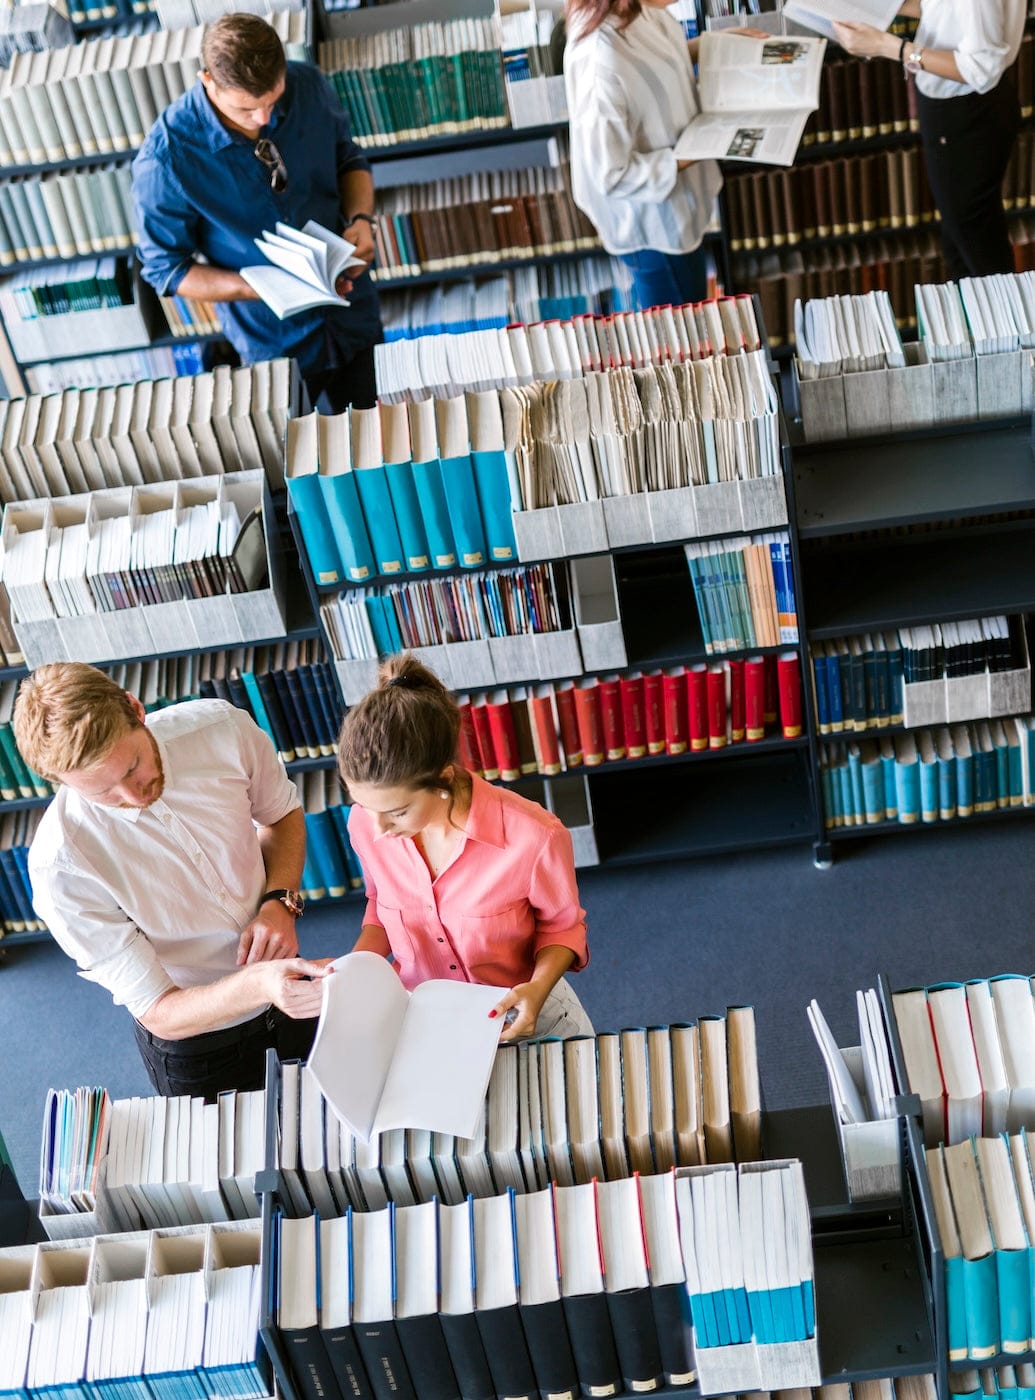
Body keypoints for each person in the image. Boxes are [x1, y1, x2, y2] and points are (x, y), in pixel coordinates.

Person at [14, 663, 329, 1098]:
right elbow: (157, 1009)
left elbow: (280, 814)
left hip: (291, 990)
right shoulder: (61, 869)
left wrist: (280, 901)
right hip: (199, 1048)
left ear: (135, 708)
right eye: (101, 792)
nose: (131, 798)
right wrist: (258, 984)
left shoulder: (222, 728)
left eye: (132, 768)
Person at [132, 13, 382, 413]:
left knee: (382, 442)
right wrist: (261, 286)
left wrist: (361, 220)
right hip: (273, 343)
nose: (264, 119)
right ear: (208, 81)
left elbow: (348, 158)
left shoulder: (309, 84)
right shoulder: (166, 160)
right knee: (300, 463)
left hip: (352, 311)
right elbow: (166, 270)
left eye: (272, 99)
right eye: (246, 109)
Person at [338, 654, 593, 1041]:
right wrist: (356, 969)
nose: (380, 828)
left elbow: (562, 928)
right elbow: (379, 906)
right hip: (428, 1025)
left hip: (523, 1018)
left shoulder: (534, 836)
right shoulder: (366, 824)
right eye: (366, 807)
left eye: (398, 811)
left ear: (442, 778)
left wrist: (537, 989)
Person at [563, 0, 766, 311]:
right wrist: (701, 147)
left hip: (681, 208)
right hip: (654, 227)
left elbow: (655, 66)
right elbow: (612, 175)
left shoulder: (640, 8)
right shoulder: (599, 58)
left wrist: (712, 45)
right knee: (685, 346)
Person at [833, 2, 1025, 280]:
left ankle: (1008, 323)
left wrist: (889, 47)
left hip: (965, 111)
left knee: (977, 254)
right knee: (963, 239)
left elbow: (981, 69)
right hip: (962, 107)